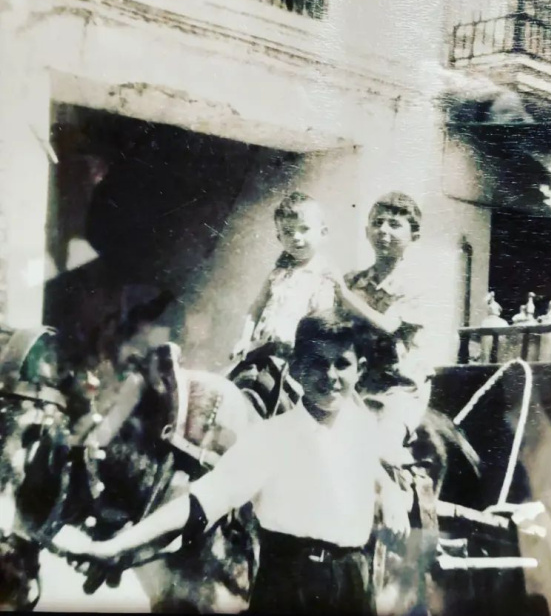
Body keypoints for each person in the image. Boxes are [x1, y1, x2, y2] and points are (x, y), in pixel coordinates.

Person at [52, 311, 410, 615]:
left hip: (354, 583)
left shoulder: (362, 427)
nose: (330, 375)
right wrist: (116, 546)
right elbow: (200, 501)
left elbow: (370, 465)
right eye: (318, 362)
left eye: (341, 364)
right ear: (297, 368)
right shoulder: (270, 438)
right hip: (290, 583)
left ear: (359, 369)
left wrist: (392, 493)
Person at [331, 192, 432, 454]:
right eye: (377, 223)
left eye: (394, 225)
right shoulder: (353, 281)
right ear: (366, 231)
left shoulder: (415, 283)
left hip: (399, 389)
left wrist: (344, 296)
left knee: (381, 451)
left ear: (414, 236)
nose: (383, 230)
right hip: (354, 385)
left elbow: (388, 326)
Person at [227, 191, 337, 416]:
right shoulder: (277, 274)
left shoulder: (323, 276)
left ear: (323, 232)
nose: (296, 237)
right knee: (230, 388)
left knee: (282, 404)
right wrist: (244, 339)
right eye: (288, 232)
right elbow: (255, 308)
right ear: (279, 238)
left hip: (293, 358)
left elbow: (321, 324)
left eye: (304, 229)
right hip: (261, 351)